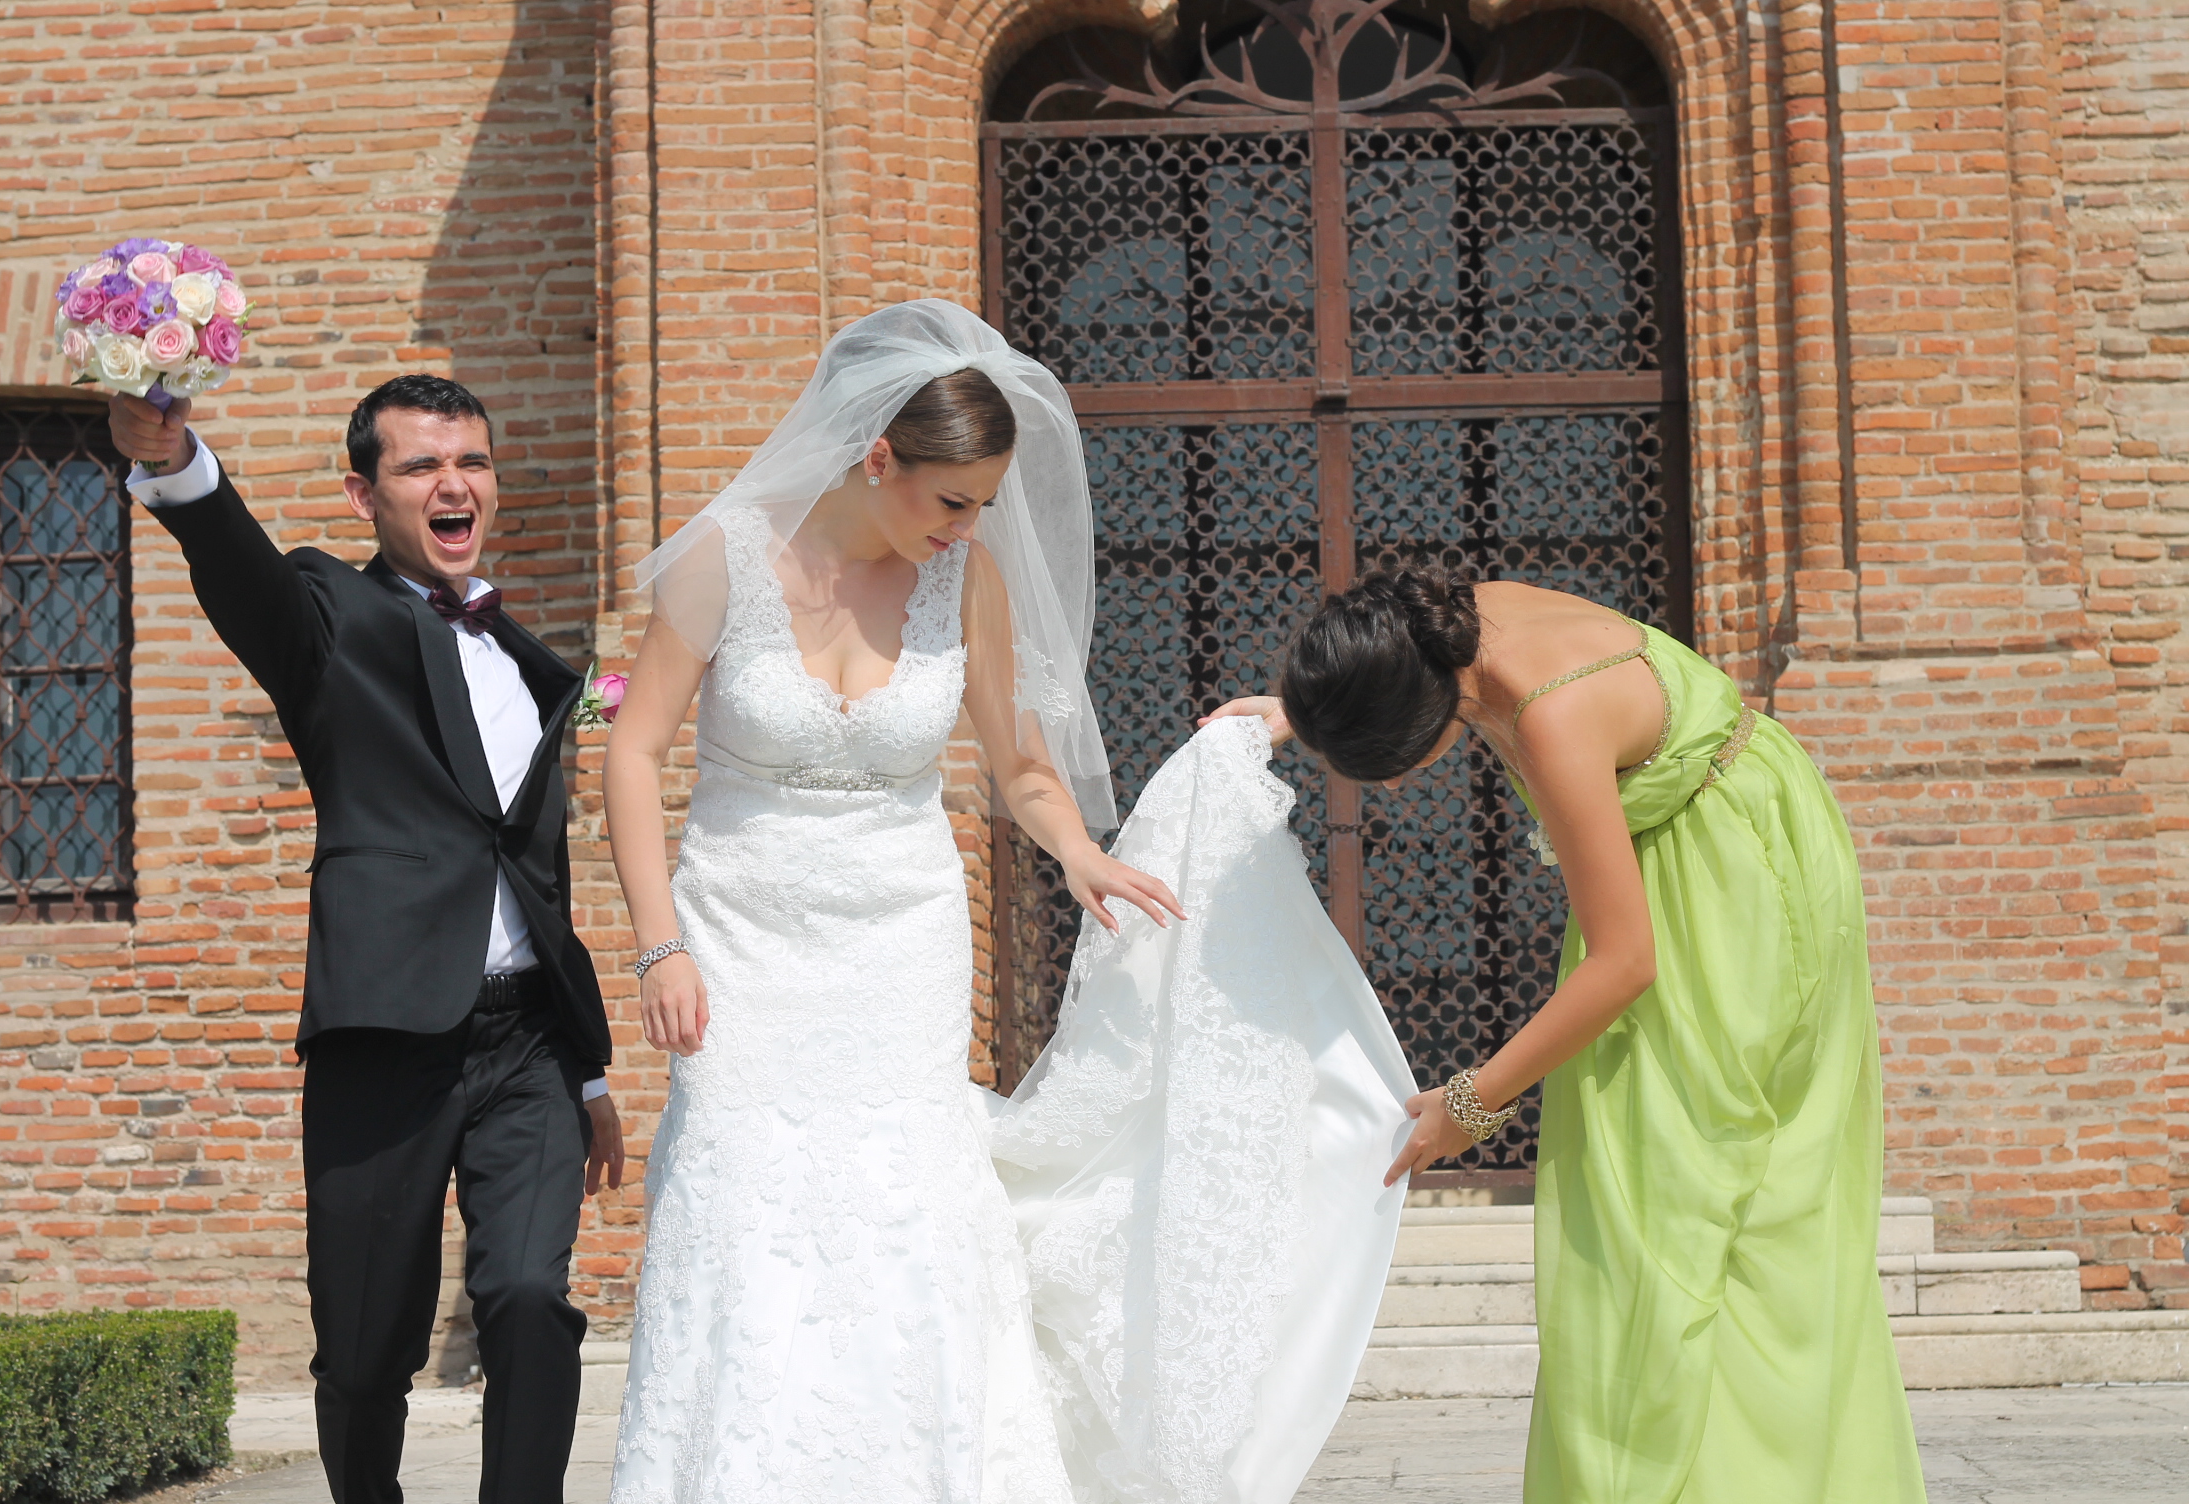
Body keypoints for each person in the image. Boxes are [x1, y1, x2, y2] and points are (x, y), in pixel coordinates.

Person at [602, 299, 1414, 1502]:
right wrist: (660, 945)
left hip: (901, 939)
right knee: (742, 1191)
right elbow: (630, 754)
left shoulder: (963, 580)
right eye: (952, 500)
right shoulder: (725, 556)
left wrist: (1079, 851)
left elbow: (1020, 766)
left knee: (910, 1196)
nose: (969, 526)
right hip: (742, 937)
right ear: (878, 458)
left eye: (984, 502)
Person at [1211, 569, 1927, 1502]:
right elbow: (1406, 667)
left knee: (1674, 1209)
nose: (1391, 783)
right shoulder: (1459, 622)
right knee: (1703, 1204)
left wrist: (1472, 1103)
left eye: (1386, 765)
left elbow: (1624, 962)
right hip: (1730, 832)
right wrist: (1307, 715)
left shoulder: (1552, 715)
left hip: (1727, 896)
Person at [108, 378, 626, 1504]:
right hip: (384, 1032)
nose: (455, 484)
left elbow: (540, 879)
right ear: (363, 494)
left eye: (472, 462)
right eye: (421, 465)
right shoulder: (327, 618)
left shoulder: (534, 665)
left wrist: (588, 1070)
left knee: (530, 1298)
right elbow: (238, 570)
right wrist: (180, 464)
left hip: (531, 1044)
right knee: (363, 1345)